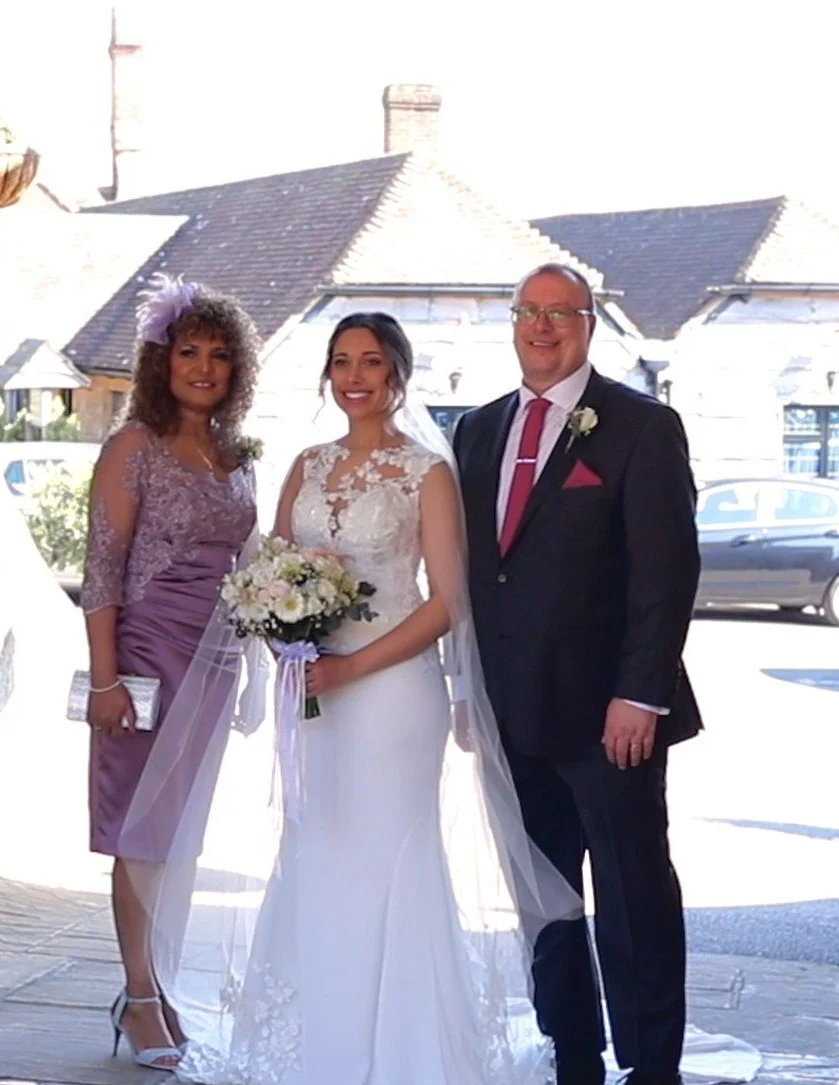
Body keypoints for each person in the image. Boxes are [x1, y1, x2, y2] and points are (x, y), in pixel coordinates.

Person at [139, 312, 579, 1085]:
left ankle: (405, 1057)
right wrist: (281, 632)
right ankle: (322, 1049)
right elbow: (268, 568)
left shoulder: (425, 474)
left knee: (388, 862)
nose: (354, 376)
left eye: (370, 361)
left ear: (397, 375)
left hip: (395, 699)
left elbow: (446, 603)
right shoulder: (306, 465)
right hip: (315, 695)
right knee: (319, 854)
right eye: (340, 361)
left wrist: (353, 667)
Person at [452, 264, 704, 1085]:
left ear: (590, 324)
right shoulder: (478, 432)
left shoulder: (640, 425)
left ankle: (650, 1063)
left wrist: (640, 694)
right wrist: (467, 693)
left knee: (632, 898)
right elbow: (480, 576)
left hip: (611, 719)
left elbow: (666, 574)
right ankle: (573, 1050)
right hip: (512, 714)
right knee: (545, 900)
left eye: (560, 312)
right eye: (527, 310)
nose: (541, 326)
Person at [81, 276, 262, 1070]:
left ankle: (157, 982)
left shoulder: (236, 451)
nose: (205, 367)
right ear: (161, 360)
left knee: (179, 834)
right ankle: (140, 993)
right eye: (189, 351)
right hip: (148, 657)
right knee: (140, 832)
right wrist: (105, 679)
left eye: (221, 355)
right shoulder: (132, 447)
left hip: (217, 662)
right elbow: (101, 571)